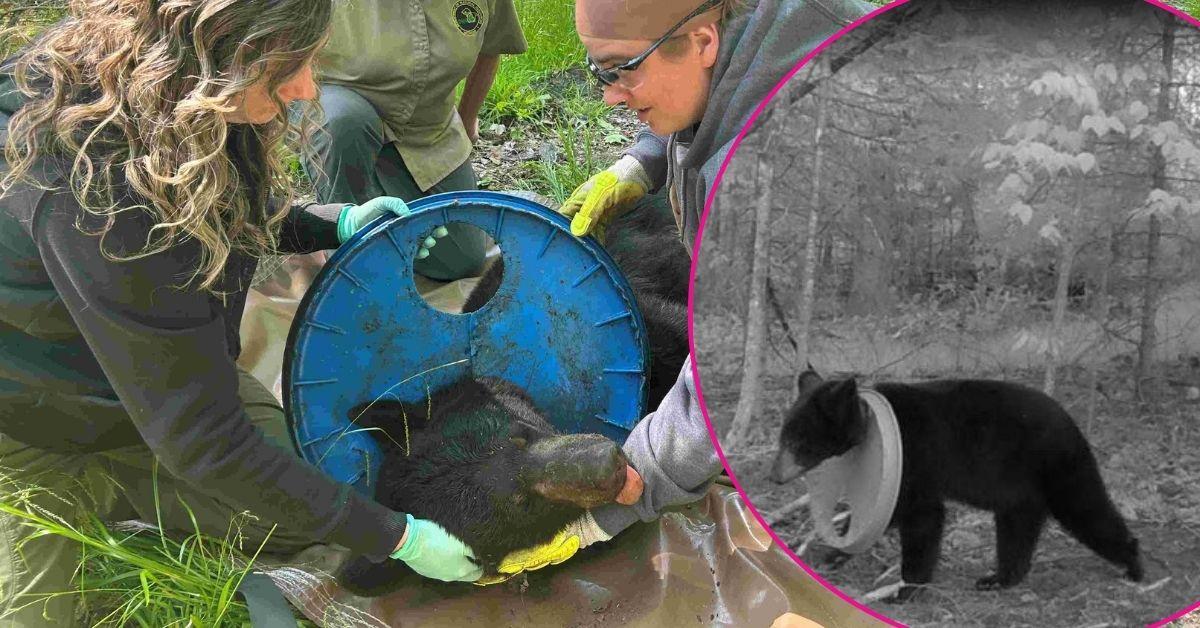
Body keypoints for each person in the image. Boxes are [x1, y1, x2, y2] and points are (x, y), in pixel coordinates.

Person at [0, 1, 529, 623]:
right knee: (40, 611)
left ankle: (146, 479)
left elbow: (213, 204)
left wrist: (329, 223)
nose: (308, 89)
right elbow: (206, 442)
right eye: (289, 69)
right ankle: (94, 492)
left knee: (304, 505)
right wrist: (398, 538)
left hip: (149, 364)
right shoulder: (102, 197)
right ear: (224, 56)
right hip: (36, 416)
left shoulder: (170, 83)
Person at [545, 0, 874, 556]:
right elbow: (717, 92)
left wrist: (611, 503)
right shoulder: (751, 24)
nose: (609, 96)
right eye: (600, 72)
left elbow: (725, 383)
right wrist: (641, 163)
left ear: (702, 42)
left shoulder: (771, 177)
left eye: (624, 70)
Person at [302, 0, 528, 281]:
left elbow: (491, 48)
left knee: (461, 260)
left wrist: (467, 119)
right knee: (343, 123)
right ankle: (349, 264)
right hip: (337, 114)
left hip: (426, 130)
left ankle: (380, 183)